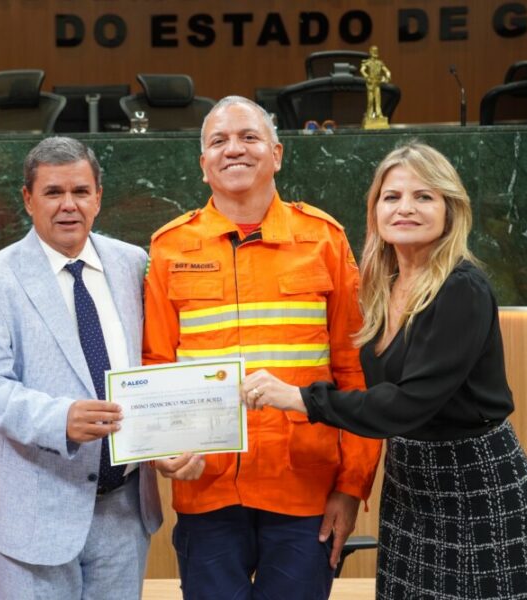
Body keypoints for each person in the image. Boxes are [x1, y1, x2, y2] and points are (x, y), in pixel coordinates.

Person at [242, 142, 527, 599]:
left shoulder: (461, 288)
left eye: (424, 197)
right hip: (410, 481)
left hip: (474, 483)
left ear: (451, 208)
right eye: (392, 197)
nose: (405, 208)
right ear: (375, 211)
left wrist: (297, 397)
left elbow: (406, 403)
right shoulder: (378, 286)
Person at [142, 96, 381, 599]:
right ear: (202, 162)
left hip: (305, 490)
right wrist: (162, 450)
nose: (234, 150)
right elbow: (156, 366)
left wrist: (351, 485)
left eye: (249, 138)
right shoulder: (169, 247)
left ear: (277, 153)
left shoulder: (324, 240)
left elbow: (355, 374)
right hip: (206, 487)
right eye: (219, 141)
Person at [0, 136, 162, 600]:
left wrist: (169, 438)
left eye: (81, 192)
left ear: (99, 197)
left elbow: (153, 365)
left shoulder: (134, 264)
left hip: (123, 515)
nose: (69, 205)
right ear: (28, 199)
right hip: (30, 518)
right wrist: (59, 419)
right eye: (53, 192)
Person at [360, 46, 391, 120]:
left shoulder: (379, 63)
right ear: (370, 52)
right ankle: (369, 115)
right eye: (374, 51)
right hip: (370, 83)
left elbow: (386, 70)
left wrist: (388, 75)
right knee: (370, 100)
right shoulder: (368, 62)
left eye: (376, 51)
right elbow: (362, 70)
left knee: (378, 100)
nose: (375, 52)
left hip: (377, 83)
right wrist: (367, 77)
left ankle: (379, 114)